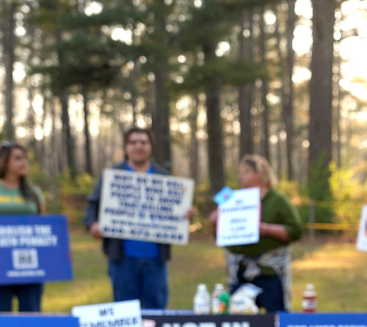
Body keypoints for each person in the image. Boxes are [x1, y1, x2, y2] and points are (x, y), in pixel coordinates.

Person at [85, 127, 189, 309]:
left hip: (156, 257)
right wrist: (92, 224)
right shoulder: (113, 176)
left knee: (156, 310)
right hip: (122, 257)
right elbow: (93, 205)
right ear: (126, 147)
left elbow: (175, 212)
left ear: (151, 147)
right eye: (133, 142)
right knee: (124, 312)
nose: (138, 146)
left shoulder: (164, 177)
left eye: (143, 142)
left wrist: (185, 214)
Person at [211, 154, 303, 312]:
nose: (240, 177)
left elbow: (296, 230)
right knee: (239, 318)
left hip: (269, 272)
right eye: (239, 173)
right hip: (239, 271)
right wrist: (215, 222)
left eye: (245, 172)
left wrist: (266, 229)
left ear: (260, 173)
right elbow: (220, 236)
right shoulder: (232, 198)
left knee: (274, 318)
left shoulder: (278, 200)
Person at [0, 141, 46, 312]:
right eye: (18, 158)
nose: (24, 162)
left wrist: (58, 252)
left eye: (25, 158)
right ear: (4, 162)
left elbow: (44, 226)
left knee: (32, 312)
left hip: (30, 262)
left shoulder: (34, 193)